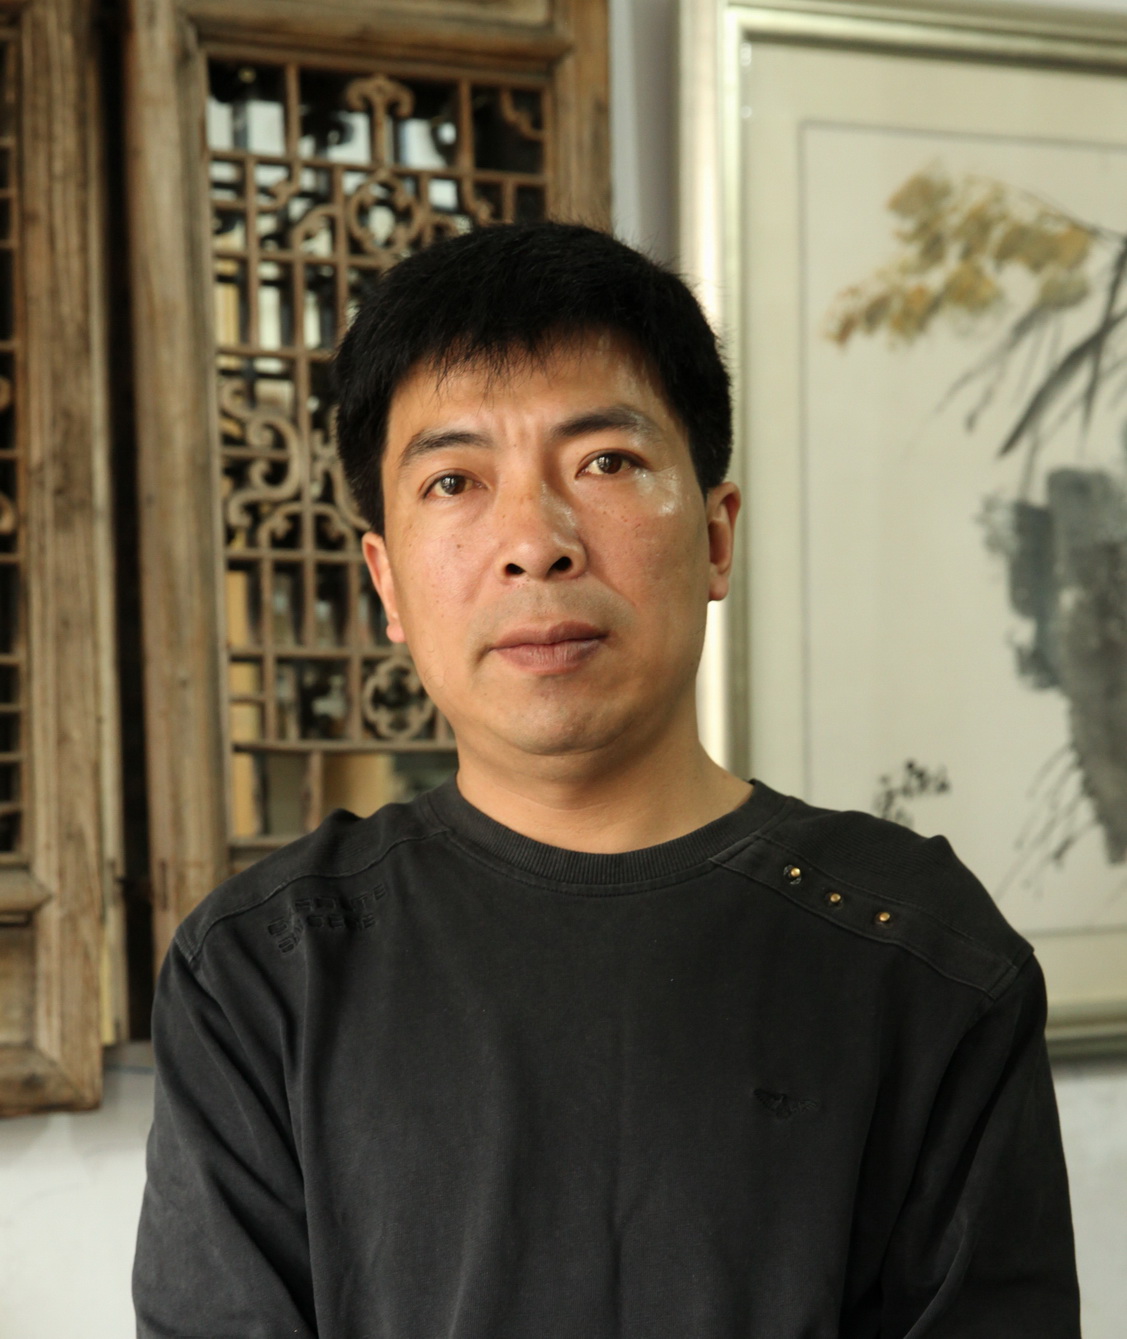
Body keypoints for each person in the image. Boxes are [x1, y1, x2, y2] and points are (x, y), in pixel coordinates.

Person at [133, 221, 1080, 1338]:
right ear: (384, 579)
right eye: (452, 480)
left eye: (604, 463)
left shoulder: (919, 951)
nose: (534, 541)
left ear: (716, 536)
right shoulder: (263, 970)